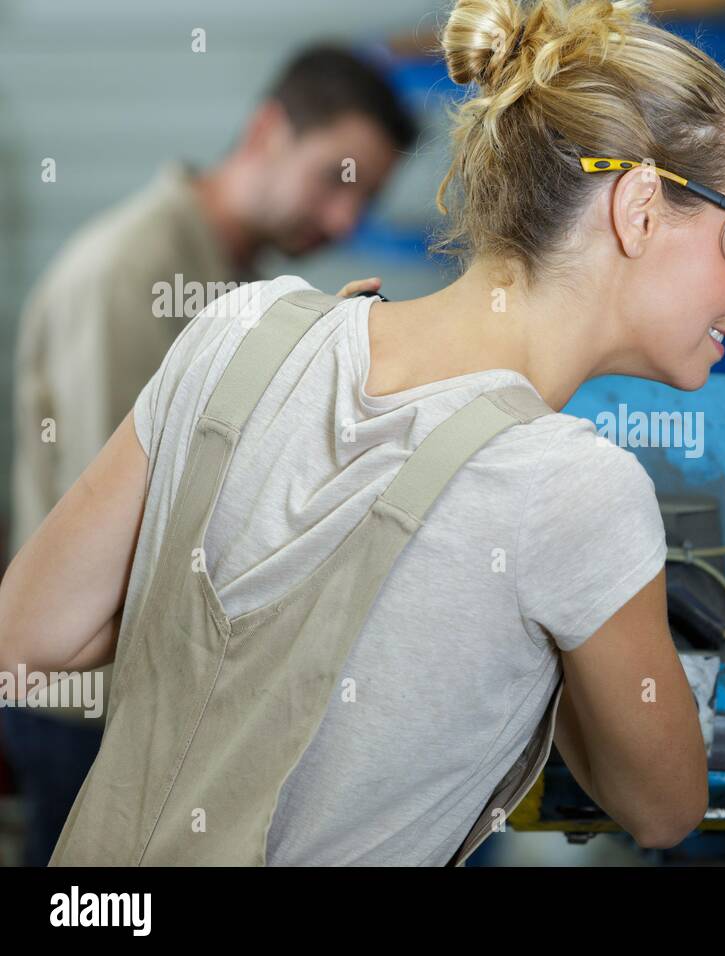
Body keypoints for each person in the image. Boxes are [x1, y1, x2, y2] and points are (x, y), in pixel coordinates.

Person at [0, 0, 725, 865]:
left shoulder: (242, 330)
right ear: (639, 208)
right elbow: (666, 806)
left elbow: (28, 636)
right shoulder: (576, 489)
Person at [1, 42, 415, 866]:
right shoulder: (132, 272)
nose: (342, 221)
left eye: (365, 200)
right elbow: (120, 542)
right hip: (86, 718)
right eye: (339, 180)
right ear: (268, 132)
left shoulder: (235, 283)